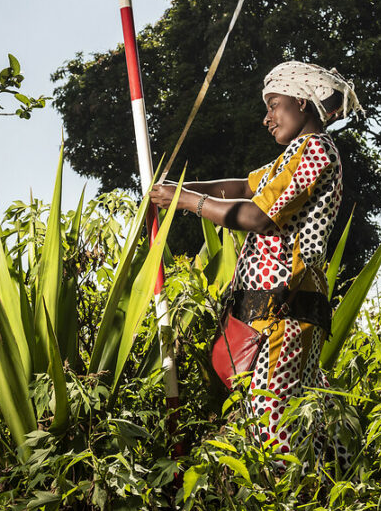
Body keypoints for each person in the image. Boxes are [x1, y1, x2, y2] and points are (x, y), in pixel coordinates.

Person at [149, 60, 361, 462]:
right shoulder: (292, 156)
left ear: (301, 102)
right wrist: (175, 189)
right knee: (280, 415)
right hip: (268, 312)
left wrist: (186, 201)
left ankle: (297, 499)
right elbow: (239, 186)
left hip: (285, 309)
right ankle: (329, 489)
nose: (267, 118)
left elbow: (256, 216)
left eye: (274, 105)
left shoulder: (316, 151)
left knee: (272, 423)